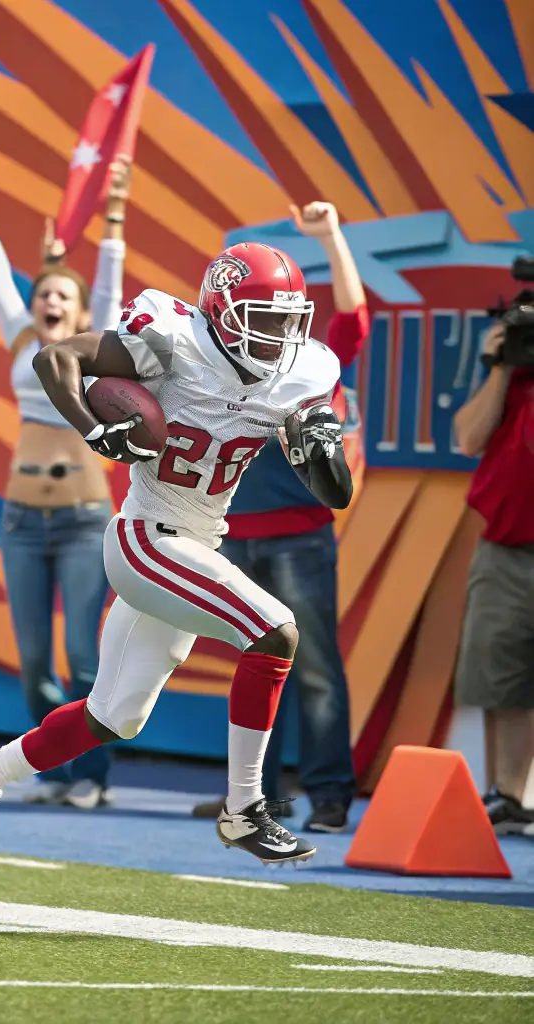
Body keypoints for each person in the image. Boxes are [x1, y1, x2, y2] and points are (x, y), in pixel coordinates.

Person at [0, 242, 354, 869]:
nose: (277, 335)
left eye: (286, 319)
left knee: (113, 718)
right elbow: (57, 357)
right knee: (275, 633)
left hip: (195, 543)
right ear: (223, 309)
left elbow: (336, 493)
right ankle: (244, 810)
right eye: (261, 318)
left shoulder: (305, 373)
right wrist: (91, 425)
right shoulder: (172, 337)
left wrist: (320, 448)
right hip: (146, 537)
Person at [0, 134, 127, 808]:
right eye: (43, 292)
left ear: (81, 312)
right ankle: (53, 774)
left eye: (62, 295)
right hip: (21, 522)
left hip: (85, 523)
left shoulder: (94, 346)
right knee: (33, 665)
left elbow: (108, 279)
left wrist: (113, 212)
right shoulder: (22, 338)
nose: (50, 300)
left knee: (84, 659)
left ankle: (90, 778)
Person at [192, 201, 368, 833]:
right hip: (229, 533)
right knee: (252, 663)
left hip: (299, 535)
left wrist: (332, 237)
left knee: (316, 666)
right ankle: (251, 795)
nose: (270, 329)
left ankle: (328, 795)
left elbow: (353, 318)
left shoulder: (312, 364)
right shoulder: (214, 361)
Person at [453, 313, 534, 832]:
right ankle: (506, 795)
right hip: (507, 547)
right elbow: (467, 438)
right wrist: (502, 367)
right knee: (499, 672)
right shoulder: (515, 374)